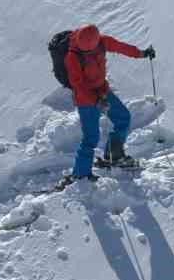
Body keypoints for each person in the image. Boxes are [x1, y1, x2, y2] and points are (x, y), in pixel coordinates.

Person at [63, 24, 156, 180]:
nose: (88, 53)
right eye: (85, 51)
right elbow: (78, 86)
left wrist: (142, 53)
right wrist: (96, 101)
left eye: (90, 51)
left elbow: (121, 47)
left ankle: (114, 155)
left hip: (102, 90)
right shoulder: (72, 57)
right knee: (91, 137)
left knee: (123, 118)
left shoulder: (102, 41)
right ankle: (80, 175)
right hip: (85, 99)